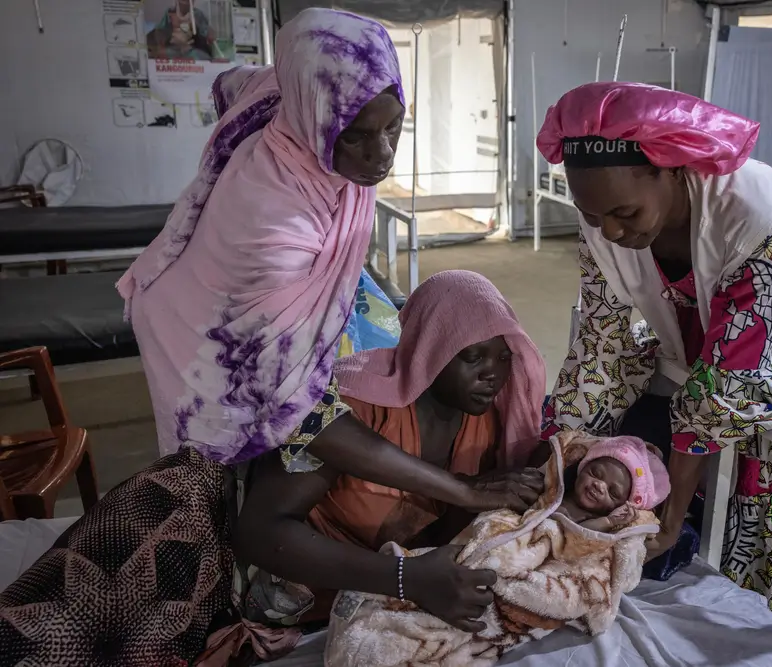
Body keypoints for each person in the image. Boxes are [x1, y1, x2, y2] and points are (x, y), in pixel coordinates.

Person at [0, 12, 539, 667]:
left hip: (266, 471)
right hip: (208, 364)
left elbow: (239, 84)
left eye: (394, 125)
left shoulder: (295, 105)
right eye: (356, 135)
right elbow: (300, 419)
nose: (381, 154)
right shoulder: (274, 226)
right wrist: (450, 505)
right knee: (110, 591)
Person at [536, 82, 772, 638]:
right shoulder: (606, 217)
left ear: (669, 169)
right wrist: (555, 462)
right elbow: (600, 344)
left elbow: (727, 385)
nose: (611, 232)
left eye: (624, 212)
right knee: (690, 495)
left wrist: (667, 521)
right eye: (593, 217)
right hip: (699, 358)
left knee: (763, 528)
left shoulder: (760, 215)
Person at [225, 270, 547, 651]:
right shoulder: (354, 405)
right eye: (471, 356)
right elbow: (261, 534)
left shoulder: (487, 424)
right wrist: (405, 578)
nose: (491, 374)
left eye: (504, 357)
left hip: (396, 602)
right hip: (297, 601)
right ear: (431, 349)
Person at [553, 435, 671, 533]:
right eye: (595, 473)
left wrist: (610, 522)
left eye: (613, 493)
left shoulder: (596, 519)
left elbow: (578, 534)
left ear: (621, 506)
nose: (599, 486)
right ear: (582, 467)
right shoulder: (556, 487)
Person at [147, 0, 223, 61]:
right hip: (173, 48)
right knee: (159, 55)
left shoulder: (197, 14)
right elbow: (160, 30)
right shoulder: (170, 12)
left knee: (204, 58)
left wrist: (209, 33)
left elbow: (206, 31)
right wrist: (160, 43)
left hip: (189, 48)